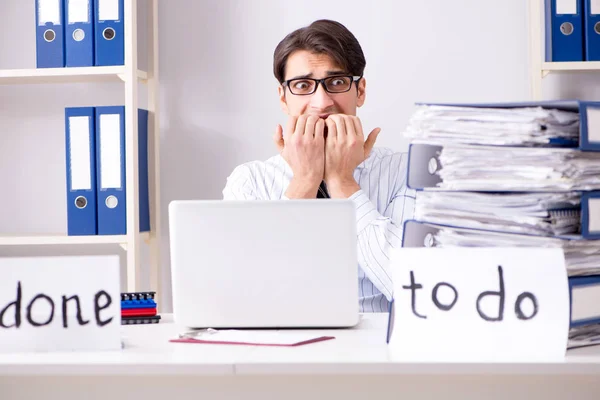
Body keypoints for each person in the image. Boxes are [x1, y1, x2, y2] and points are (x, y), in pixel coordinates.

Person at [222, 19, 415, 313]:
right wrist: (305, 180)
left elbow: (415, 290)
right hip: (283, 347)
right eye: (303, 85)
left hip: (380, 347)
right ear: (283, 98)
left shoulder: (405, 173)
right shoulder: (250, 181)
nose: (321, 102)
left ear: (359, 91)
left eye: (336, 82)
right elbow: (249, 297)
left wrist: (343, 184)